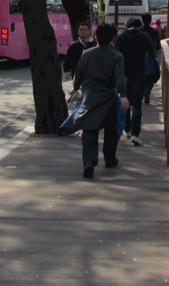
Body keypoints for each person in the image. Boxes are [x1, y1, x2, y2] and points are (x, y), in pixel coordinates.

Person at [63, 23, 130, 179]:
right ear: (112, 39)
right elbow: (119, 78)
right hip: (110, 97)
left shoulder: (87, 54)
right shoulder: (117, 56)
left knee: (89, 129)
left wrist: (76, 86)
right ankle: (110, 159)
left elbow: (78, 74)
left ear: (96, 37)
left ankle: (89, 162)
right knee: (112, 130)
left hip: (91, 96)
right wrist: (124, 95)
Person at [114, 17, 154, 146]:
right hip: (139, 74)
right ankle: (135, 134)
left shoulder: (120, 38)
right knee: (137, 105)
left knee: (125, 103)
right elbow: (152, 54)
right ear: (140, 26)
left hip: (124, 75)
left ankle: (127, 129)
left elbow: (117, 58)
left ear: (127, 25)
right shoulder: (145, 36)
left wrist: (120, 75)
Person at [141, 12, 162, 104]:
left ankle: (144, 90)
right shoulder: (154, 31)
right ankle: (148, 89)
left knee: (143, 75)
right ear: (150, 20)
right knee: (154, 74)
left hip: (141, 56)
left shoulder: (140, 31)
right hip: (151, 55)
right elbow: (157, 44)